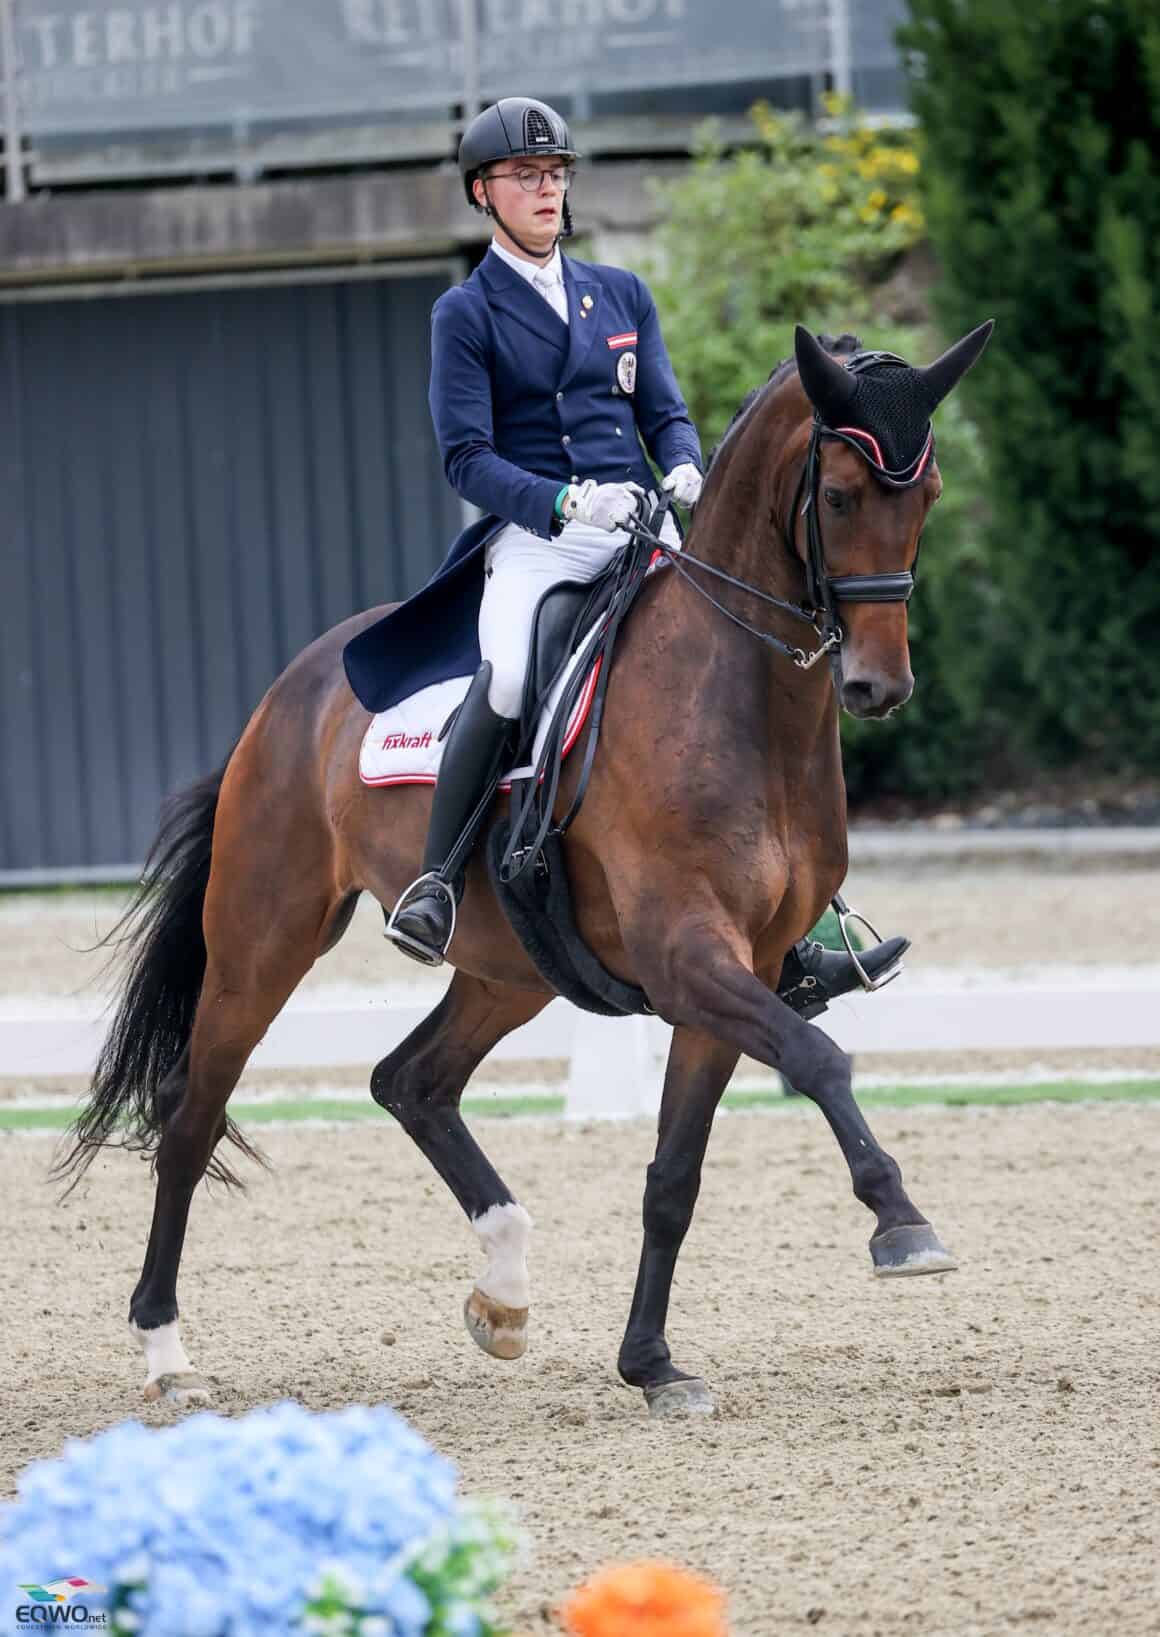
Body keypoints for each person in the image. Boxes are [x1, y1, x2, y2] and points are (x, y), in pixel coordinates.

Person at [346, 95, 907, 1015]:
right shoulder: (466, 312)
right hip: (540, 543)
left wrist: (684, 464)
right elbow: (466, 457)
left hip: (647, 529)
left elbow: (666, 414)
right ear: (484, 193)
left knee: (759, 661)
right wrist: (564, 499)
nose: (545, 190)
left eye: (556, 175)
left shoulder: (621, 295)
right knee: (513, 677)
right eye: (527, 177)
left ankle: (806, 917)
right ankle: (439, 882)